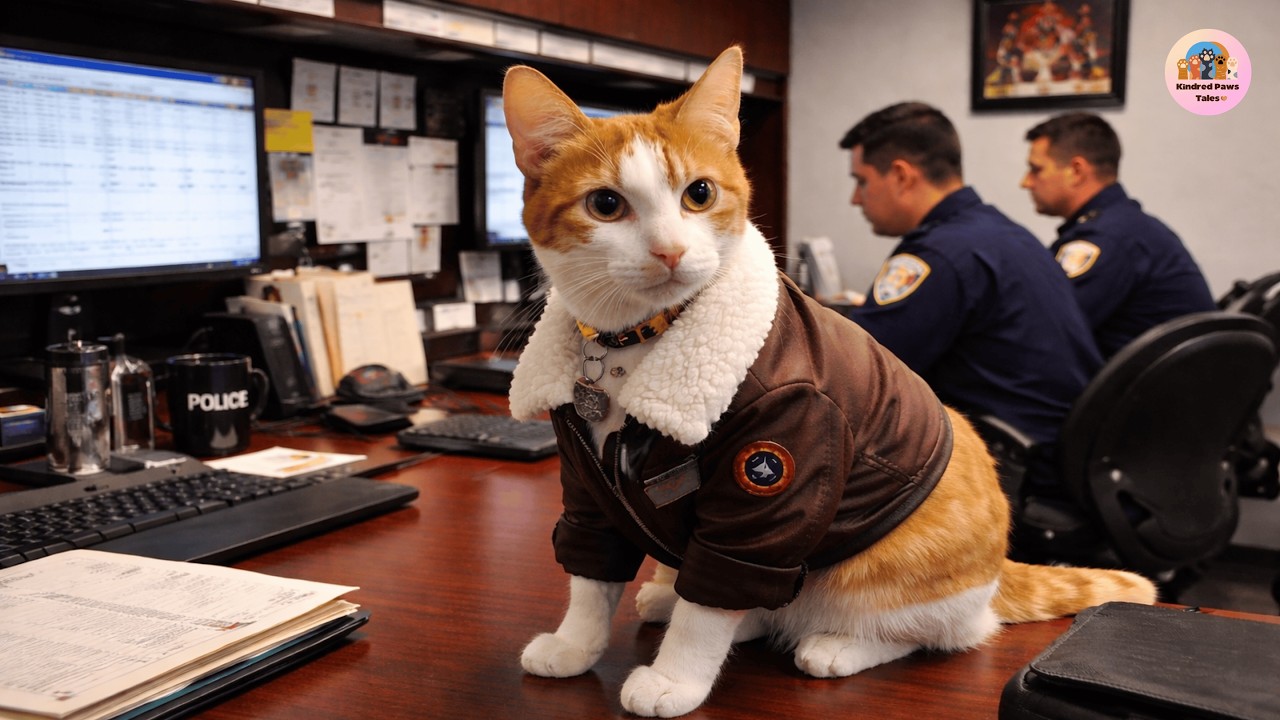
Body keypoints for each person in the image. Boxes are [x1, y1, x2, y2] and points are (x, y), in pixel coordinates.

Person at [835, 101, 1101, 494]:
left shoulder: (939, 254)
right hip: (1067, 457)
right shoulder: (1002, 233)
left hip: (1014, 470)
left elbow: (856, 375)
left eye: (862, 181)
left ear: (901, 176)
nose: (856, 199)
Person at [1022, 112, 1215, 359]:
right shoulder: (1126, 225)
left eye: (1035, 169)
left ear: (1076, 171)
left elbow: (1041, 331)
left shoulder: (1107, 239)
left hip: (1151, 394)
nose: (1025, 182)